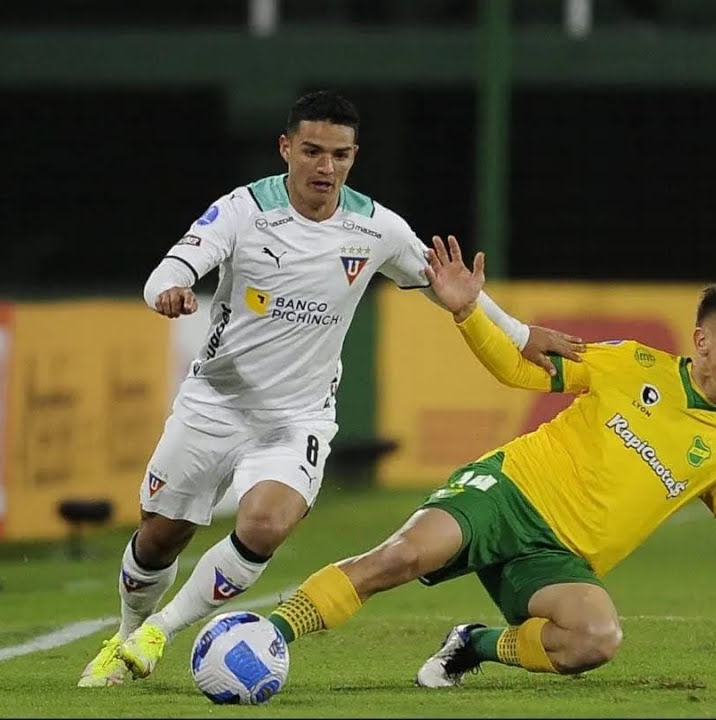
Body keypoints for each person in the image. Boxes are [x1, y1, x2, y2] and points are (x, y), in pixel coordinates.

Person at [77, 90, 583, 687]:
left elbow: (450, 283)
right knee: (159, 538)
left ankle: (160, 630)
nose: (326, 167)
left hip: (298, 419)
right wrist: (171, 290)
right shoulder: (243, 211)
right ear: (286, 148)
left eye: (340, 155)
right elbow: (170, 269)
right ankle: (128, 632)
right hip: (213, 404)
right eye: (313, 151)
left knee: (264, 524)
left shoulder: (375, 228)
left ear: (354, 156)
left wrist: (519, 333)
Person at [266, 236, 716, 686]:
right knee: (399, 558)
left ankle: (473, 645)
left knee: (594, 640)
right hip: (506, 493)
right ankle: (268, 636)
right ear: (704, 340)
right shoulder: (630, 362)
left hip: (556, 559)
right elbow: (516, 369)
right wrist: (466, 312)